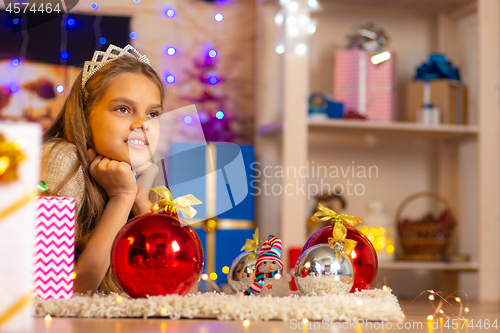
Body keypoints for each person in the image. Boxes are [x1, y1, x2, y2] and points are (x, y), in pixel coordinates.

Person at [41, 44, 164, 294]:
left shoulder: (140, 175)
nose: (142, 124)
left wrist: (142, 205)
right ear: (85, 117)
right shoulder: (61, 158)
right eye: (123, 109)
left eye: (152, 114)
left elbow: (183, 291)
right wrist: (121, 199)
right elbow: (57, 296)